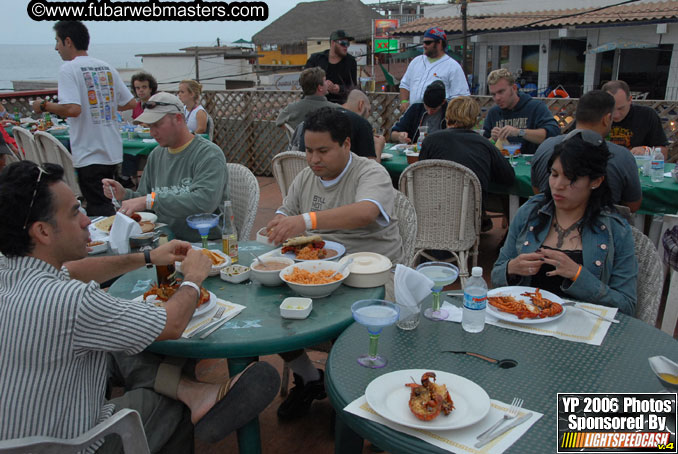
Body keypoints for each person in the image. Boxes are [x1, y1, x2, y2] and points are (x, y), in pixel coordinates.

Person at [0, 161, 280, 451]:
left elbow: (72, 269)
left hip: (14, 436)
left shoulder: (8, 267)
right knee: (169, 401)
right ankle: (188, 398)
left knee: (123, 341)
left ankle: (196, 393)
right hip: (67, 444)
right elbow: (171, 324)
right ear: (43, 231)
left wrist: (148, 257)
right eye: (75, 213)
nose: (86, 220)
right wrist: (195, 278)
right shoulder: (69, 301)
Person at [266, 107, 403, 419]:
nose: (314, 160)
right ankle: (309, 377)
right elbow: (287, 210)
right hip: (317, 271)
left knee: (361, 326)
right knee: (268, 310)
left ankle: (359, 399)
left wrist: (307, 220)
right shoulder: (305, 177)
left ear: (346, 145)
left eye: (323, 151)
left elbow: (366, 211)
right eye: (308, 151)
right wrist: (279, 222)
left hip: (370, 274)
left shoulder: (370, 173)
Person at [491, 133, 638, 315]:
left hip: (583, 330)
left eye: (570, 178)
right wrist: (511, 268)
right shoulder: (530, 213)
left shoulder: (615, 229)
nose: (558, 185)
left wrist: (577, 275)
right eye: (554, 174)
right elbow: (496, 276)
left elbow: (627, 306)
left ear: (596, 181)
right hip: (527, 321)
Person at [31, 21, 136, 216]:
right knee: (110, 202)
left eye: (57, 42)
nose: (56, 48)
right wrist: (106, 105)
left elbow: (72, 109)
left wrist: (43, 105)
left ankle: (111, 243)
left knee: (100, 209)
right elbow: (130, 103)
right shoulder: (106, 67)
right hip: (111, 150)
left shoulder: (69, 68)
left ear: (68, 41)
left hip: (89, 151)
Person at [102, 92, 228, 242]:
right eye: (149, 126)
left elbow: (204, 202)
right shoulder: (156, 154)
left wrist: (149, 201)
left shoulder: (208, 154)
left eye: (157, 124)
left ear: (178, 119)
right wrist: (125, 195)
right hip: (162, 240)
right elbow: (145, 198)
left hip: (204, 242)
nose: (152, 132)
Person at [531, 90, 642, 212]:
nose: (558, 185)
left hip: (549, 220)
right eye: (555, 174)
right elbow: (632, 205)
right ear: (607, 119)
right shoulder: (622, 156)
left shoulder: (546, 146)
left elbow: (537, 191)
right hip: (601, 224)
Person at [420, 96, 515, 211]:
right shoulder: (485, 144)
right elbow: (508, 177)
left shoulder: (430, 141)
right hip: (469, 215)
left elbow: (420, 176)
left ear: (447, 116)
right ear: (475, 120)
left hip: (433, 210)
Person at [482, 68, 560, 156]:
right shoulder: (493, 113)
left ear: (514, 88)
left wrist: (519, 132)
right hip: (502, 164)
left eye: (501, 92)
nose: (497, 98)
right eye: (493, 94)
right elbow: (482, 146)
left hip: (531, 163)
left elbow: (553, 134)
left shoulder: (536, 107)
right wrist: (492, 139)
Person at [399, 26, 469, 109]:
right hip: (414, 114)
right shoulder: (416, 61)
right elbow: (405, 84)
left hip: (438, 115)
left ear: (439, 43)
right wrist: (404, 101)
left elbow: (461, 97)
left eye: (428, 42)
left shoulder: (453, 66)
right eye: (423, 42)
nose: (424, 45)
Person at [296, 91, 378, 160]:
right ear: (361, 105)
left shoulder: (316, 118)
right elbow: (372, 169)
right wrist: (378, 146)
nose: (368, 115)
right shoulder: (362, 124)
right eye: (368, 111)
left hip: (303, 169)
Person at [602, 80, 669, 158]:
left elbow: (664, 152)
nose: (616, 115)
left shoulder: (647, 115)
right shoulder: (597, 116)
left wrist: (647, 150)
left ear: (630, 100)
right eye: (611, 109)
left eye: (621, 108)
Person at [305, 30, 357, 104]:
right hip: (316, 102)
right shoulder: (316, 59)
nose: (346, 46)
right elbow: (305, 80)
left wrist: (338, 88)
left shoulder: (351, 61)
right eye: (343, 43)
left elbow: (353, 86)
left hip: (340, 104)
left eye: (348, 43)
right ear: (333, 43)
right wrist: (322, 83)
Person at [391, 80, 448, 144]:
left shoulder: (449, 112)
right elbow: (393, 134)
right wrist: (399, 136)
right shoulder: (416, 109)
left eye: (433, 109)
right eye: (426, 107)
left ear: (443, 102)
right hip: (416, 150)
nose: (429, 112)